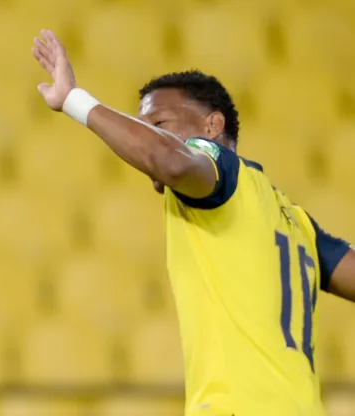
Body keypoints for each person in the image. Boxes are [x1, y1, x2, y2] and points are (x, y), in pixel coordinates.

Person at [32, 29, 355, 415]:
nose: (148, 136)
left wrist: (74, 100)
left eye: (160, 123)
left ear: (212, 126)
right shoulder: (295, 220)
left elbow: (171, 161)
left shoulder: (214, 164)